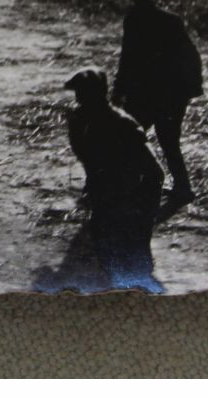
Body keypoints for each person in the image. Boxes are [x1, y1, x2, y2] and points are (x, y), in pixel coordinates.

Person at [64, 67, 164, 291]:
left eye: (86, 93)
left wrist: (140, 212)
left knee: (131, 256)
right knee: (104, 250)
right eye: (79, 94)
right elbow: (91, 161)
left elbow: (154, 173)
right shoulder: (80, 121)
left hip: (132, 195)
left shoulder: (123, 125)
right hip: (107, 194)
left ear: (101, 94)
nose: (81, 99)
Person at [112, 0, 204, 208]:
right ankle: (179, 187)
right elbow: (191, 55)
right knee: (165, 140)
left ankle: (129, 185)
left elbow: (128, 57)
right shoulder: (168, 20)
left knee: (134, 138)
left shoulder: (135, 19)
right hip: (165, 91)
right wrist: (192, 87)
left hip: (151, 91)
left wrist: (118, 90)